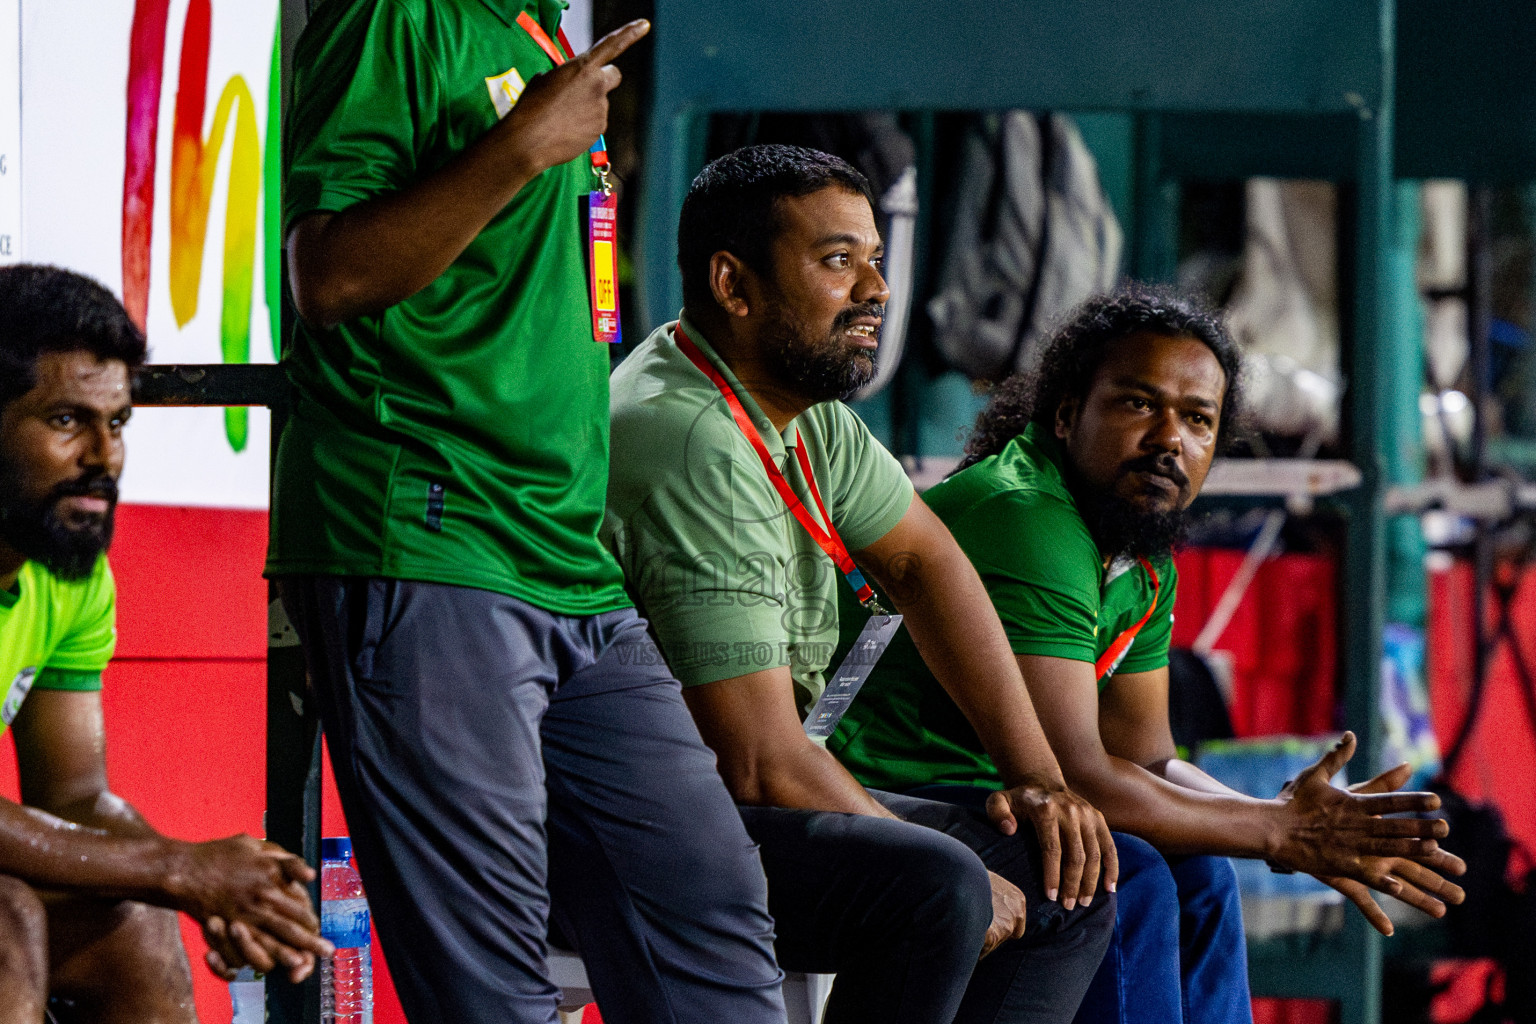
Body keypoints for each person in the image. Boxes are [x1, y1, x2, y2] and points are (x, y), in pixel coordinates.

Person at [274, 4, 785, 1023]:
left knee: (709, 901)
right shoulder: (396, 17)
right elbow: (326, 274)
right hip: (430, 529)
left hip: (567, 557)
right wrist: (519, 149)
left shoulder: (540, 27)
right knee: (494, 981)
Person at [831, 288, 1469, 1024]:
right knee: (1123, 873)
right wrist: (1276, 831)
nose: (1171, 439)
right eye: (1139, 405)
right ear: (1068, 414)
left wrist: (1278, 813)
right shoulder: (1029, 515)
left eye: (1198, 420)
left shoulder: (1138, 550)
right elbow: (1083, 776)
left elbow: (1147, 757)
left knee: (1197, 871)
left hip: (997, 794)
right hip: (872, 784)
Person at [604, 144, 1116, 1024]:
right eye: (840, 262)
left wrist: (1037, 779)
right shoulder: (692, 437)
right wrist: (930, 849)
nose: (878, 290)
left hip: (737, 792)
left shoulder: (802, 415)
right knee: (937, 888)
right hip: (646, 828)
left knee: (1066, 875)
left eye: (875, 260)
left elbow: (927, 564)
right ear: (735, 285)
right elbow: (757, 762)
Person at [0, 264, 331, 1022]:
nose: (102, 457)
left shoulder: (67, 572)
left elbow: (75, 795)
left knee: (135, 923)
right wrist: (176, 868)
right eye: (64, 421)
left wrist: (198, 884)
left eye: (115, 423)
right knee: (7, 922)